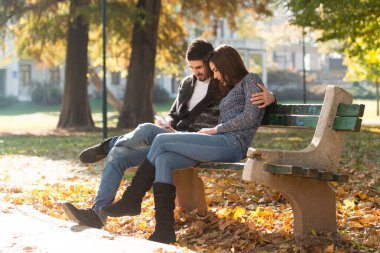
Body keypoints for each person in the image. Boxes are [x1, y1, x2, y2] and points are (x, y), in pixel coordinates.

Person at [62, 39, 276, 229]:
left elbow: (251, 95)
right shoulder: (187, 84)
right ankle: (97, 214)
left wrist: (272, 96)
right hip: (175, 135)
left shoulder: (223, 83)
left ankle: (110, 147)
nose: (196, 72)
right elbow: (174, 112)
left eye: (200, 67)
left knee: (145, 131)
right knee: (119, 155)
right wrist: (168, 122)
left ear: (213, 63)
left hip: (202, 142)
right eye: (192, 67)